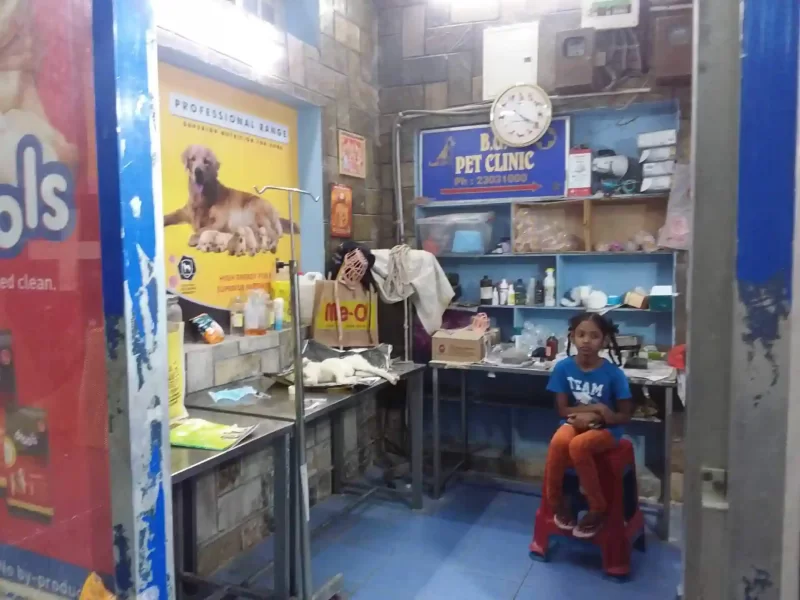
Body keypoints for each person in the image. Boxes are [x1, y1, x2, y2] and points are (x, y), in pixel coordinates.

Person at [543, 312, 633, 539]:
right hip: (574, 421)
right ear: (572, 337)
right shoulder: (563, 368)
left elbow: (624, 416)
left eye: (594, 336)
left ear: (604, 340)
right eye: (581, 334)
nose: (586, 341)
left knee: (579, 445)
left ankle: (597, 508)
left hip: (607, 430)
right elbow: (562, 410)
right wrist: (594, 410)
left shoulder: (614, 374)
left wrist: (601, 416)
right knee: (559, 442)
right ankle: (556, 502)